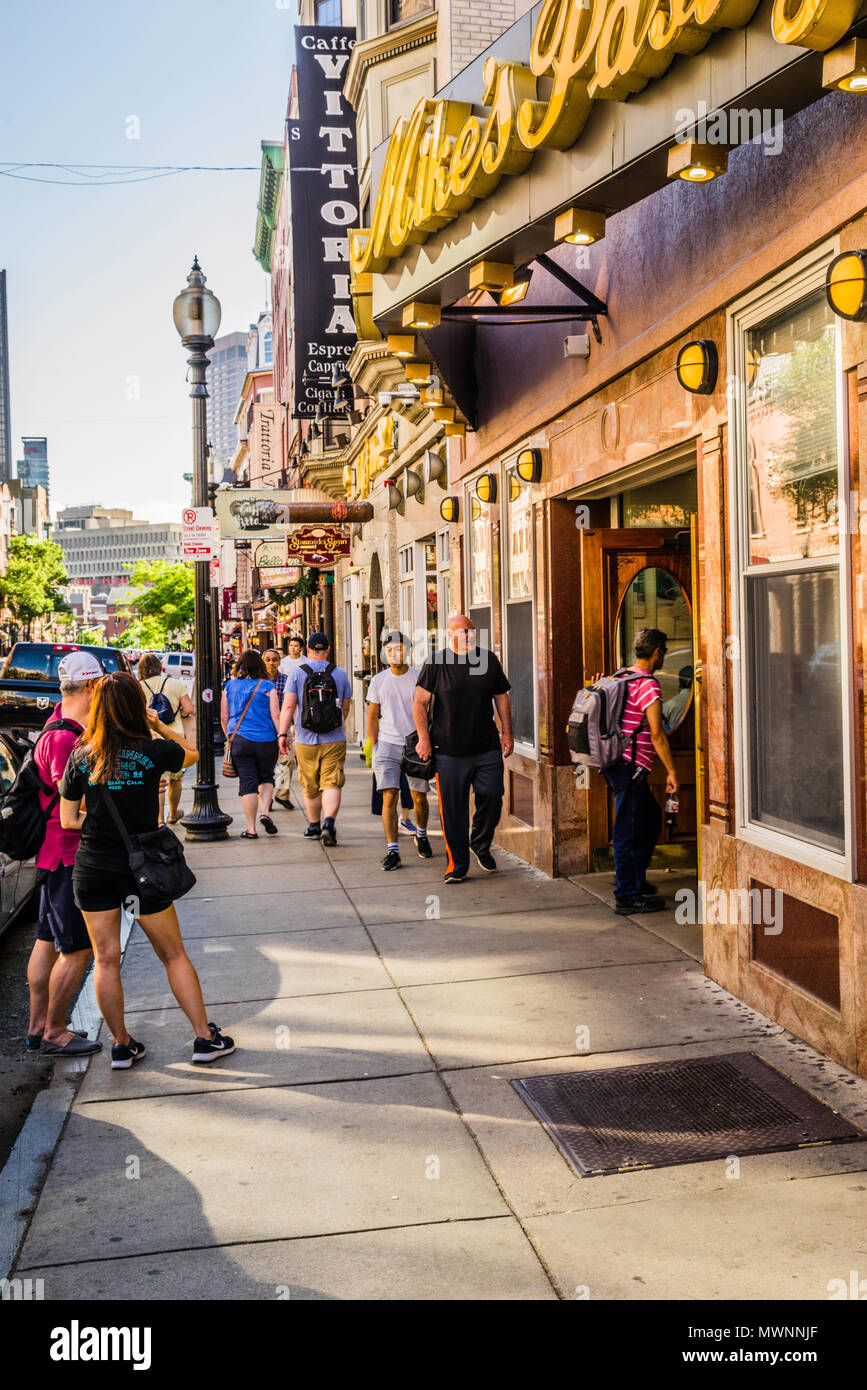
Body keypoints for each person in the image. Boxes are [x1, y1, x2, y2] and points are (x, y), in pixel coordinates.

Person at [58, 672, 235, 1067]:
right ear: (134, 706)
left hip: (94, 871)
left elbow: (68, 818)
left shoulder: (81, 754)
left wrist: (104, 820)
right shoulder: (152, 751)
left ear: (98, 707)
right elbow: (192, 753)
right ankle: (204, 1039)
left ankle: (121, 1046)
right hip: (140, 875)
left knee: (105, 959)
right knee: (172, 954)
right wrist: (158, 726)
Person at [26, 652, 103, 1057]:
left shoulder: (59, 724)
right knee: (75, 949)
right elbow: (69, 805)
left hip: (54, 854)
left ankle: (39, 1025)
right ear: (91, 686)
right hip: (66, 855)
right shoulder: (64, 738)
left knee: (46, 941)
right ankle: (55, 1030)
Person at [414, 615, 513, 884]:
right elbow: (420, 703)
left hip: (486, 747)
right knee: (453, 810)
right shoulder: (436, 663)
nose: (470, 635)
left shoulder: (488, 660)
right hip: (448, 751)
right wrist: (423, 739)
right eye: (463, 631)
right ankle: (457, 865)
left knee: (492, 796)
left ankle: (480, 843)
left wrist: (507, 733)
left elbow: (501, 697)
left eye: (472, 630)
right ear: (450, 634)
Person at [602, 627, 679, 915]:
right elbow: (657, 734)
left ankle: (633, 877)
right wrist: (672, 771)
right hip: (629, 767)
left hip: (616, 763)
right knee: (629, 830)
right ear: (657, 651)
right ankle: (627, 896)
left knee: (647, 819)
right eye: (665, 651)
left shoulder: (622, 675)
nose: (665, 656)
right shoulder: (648, 683)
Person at [278, 632, 351, 846]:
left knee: (310, 785)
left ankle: (313, 826)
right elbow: (345, 707)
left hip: (304, 738)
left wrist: (283, 733)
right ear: (328, 649)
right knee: (332, 783)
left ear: (308, 650)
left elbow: (289, 706)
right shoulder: (340, 674)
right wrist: (336, 723)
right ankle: (329, 823)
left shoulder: (297, 674)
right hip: (334, 738)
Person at [367, 631, 432, 870]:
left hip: (415, 744)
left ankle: (422, 834)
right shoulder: (378, 680)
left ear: (407, 650)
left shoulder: (419, 677)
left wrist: (426, 740)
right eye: (390, 649)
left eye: (400, 648)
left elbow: (428, 710)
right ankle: (392, 850)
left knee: (419, 797)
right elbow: (372, 715)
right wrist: (375, 746)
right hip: (387, 744)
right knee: (389, 796)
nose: (395, 653)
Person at [221, 649, 281, 838]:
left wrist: (230, 736)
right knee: (266, 778)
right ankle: (265, 812)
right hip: (266, 740)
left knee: (248, 784)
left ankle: (251, 829)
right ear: (261, 666)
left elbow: (224, 716)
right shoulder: (268, 686)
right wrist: (282, 736)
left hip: (240, 740)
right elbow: (276, 715)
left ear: (241, 665)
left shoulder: (229, 686)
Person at [137, 653, 194, 825]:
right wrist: (180, 715)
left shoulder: (138, 687)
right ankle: (173, 813)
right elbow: (189, 708)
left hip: (150, 737)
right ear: (159, 667)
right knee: (175, 779)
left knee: (158, 781)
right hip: (175, 737)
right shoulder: (175, 684)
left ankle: (160, 818)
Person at [274, 635, 305, 810]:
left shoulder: (286, 680)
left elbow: (292, 703)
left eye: (296, 645)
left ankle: (282, 793)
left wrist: (294, 724)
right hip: (266, 727)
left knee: (287, 760)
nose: (293, 648)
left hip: (285, 724)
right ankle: (267, 797)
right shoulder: (261, 682)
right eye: (268, 660)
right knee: (268, 765)